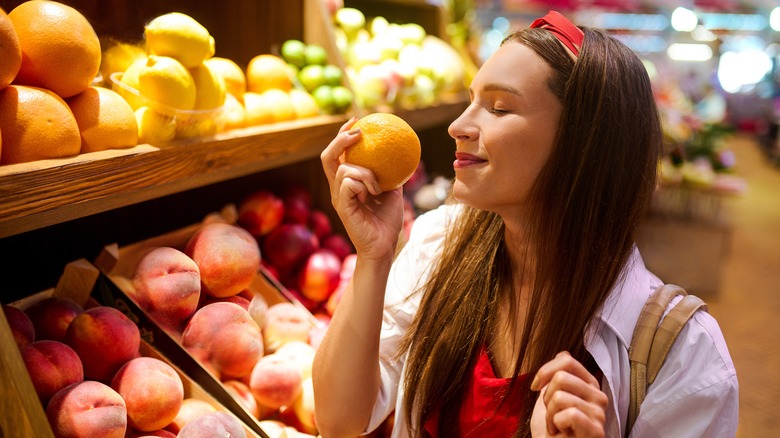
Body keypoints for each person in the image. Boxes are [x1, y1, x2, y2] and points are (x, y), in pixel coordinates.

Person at [312, 10, 738, 438]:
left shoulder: (686, 358)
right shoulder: (438, 246)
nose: (458, 127)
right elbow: (340, 420)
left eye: (499, 108)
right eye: (471, 100)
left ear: (584, 143)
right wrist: (374, 256)